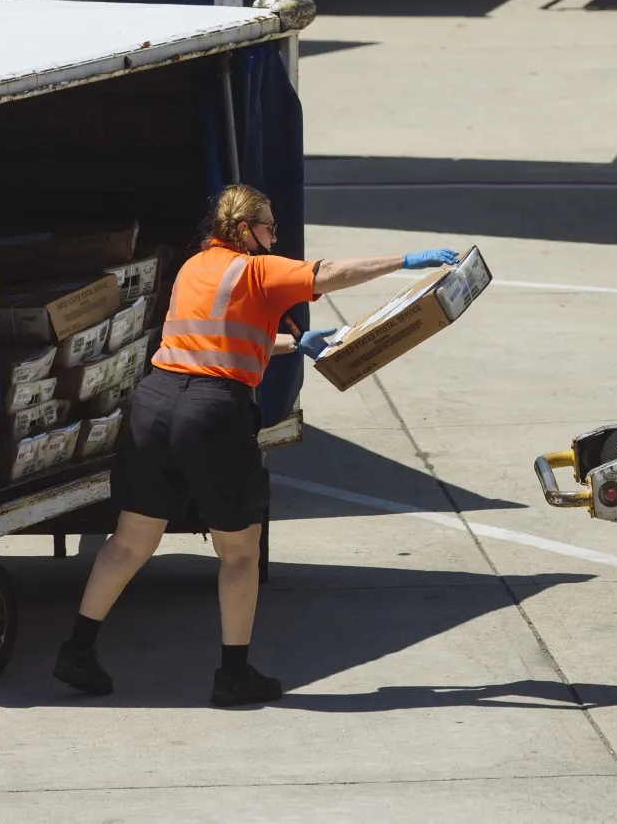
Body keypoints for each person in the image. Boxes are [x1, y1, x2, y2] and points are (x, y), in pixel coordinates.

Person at [53, 184, 460, 705]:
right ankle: (233, 675)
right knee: (239, 552)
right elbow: (330, 272)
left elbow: (217, 336)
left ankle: (78, 650)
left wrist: (293, 343)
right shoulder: (256, 270)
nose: (274, 236)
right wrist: (405, 260)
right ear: (244, 229)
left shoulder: (195, 267)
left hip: (155, 403)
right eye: (268, 226)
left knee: (130, 542)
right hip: (212, 412)